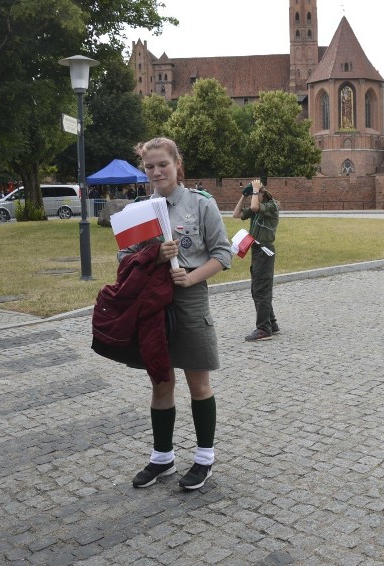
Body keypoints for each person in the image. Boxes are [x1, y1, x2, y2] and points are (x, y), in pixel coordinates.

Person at [120, 137, 232, 491]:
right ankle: (162, 457)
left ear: (176, 164)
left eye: (162, 165)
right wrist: (153, 256)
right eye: (149, 166)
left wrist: (190, 276)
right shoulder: (139, 211)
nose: (156, 172)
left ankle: (204, 459)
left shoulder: (201, 205)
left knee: (198, 384)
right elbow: (123, 260)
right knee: (161, 383)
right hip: (154, 306)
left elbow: (223, 254)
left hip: (190, 301)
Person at [233, 179, 281, 341]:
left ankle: (264, 329)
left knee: (261, 289)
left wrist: (254, 190)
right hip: (256, 250)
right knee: (258, 288)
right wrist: (243, 196)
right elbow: (236, 214)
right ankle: (272, 324)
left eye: (256, 193)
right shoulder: (256, 208)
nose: (254, 196)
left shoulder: (271, 206)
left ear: (262, 193)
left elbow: (254, 206)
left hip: (265, 251)